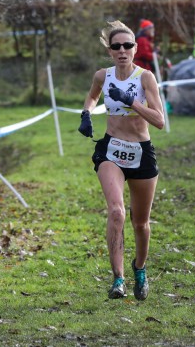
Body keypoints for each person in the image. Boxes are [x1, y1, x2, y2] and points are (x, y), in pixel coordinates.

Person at [78, 20, 165, 300]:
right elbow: (92, 97)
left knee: (141, 223)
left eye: (127, 45)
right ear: (110, 51)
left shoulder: (145, 78)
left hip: (141, 152)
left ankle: (139, 268)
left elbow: (160, 121)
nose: (122, 50)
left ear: (135, 48)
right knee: (116, 212)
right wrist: (86, 114)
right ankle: (118, 279)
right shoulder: (103, 76)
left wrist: (132, 102)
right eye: (116, 46)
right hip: (110, 150)